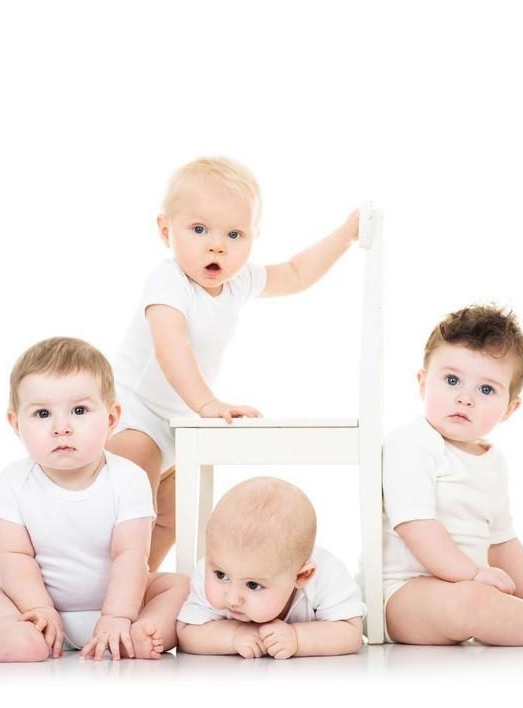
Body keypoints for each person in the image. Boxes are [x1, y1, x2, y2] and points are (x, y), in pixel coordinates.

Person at [109, 156, 360, 570]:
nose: (217, 245)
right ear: (165, 230)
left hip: (174, 426)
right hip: (134, 417)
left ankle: (134, 582)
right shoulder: (169, 280)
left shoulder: (237, 282)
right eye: (199, 229)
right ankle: (106, 585)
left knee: (171, 518)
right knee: (130, 515)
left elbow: (297, 273)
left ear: (254, 236)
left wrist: (344, 236)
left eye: (234, 234)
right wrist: (207, 404)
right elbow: (170, 348)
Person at [382, 305, 523, 646]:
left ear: (510, 408)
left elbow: (501, 541)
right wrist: (473, 574)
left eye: (486, 390)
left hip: (464, 588)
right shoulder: (412, 442)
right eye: (451, 380)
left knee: (481, 598)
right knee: (473, 601)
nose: (465, 398)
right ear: (422, 383)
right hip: (403, 594)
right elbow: (416, 526)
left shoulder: (492, 461)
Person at [0, 337, 189, 662]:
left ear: (111, 419)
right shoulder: (12, 484)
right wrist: (39, 609)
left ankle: (142, 633)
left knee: (179, 588)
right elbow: (14, 556)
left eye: (79, 410)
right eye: (42, 413)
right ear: (16, 424)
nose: (62, 428)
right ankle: (23, 636)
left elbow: (131, 555)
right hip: (43, 615)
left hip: (123, 612)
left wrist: (117, 615)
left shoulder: (128, 479)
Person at [176, 477, 365, 658]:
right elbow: (187, 632)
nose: (232, 599)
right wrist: (233, 635)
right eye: (221, 575)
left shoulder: (326, 576)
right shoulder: (215, 564)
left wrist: (297, 638)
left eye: (252, 585)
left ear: (301, 576)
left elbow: (351, 633)